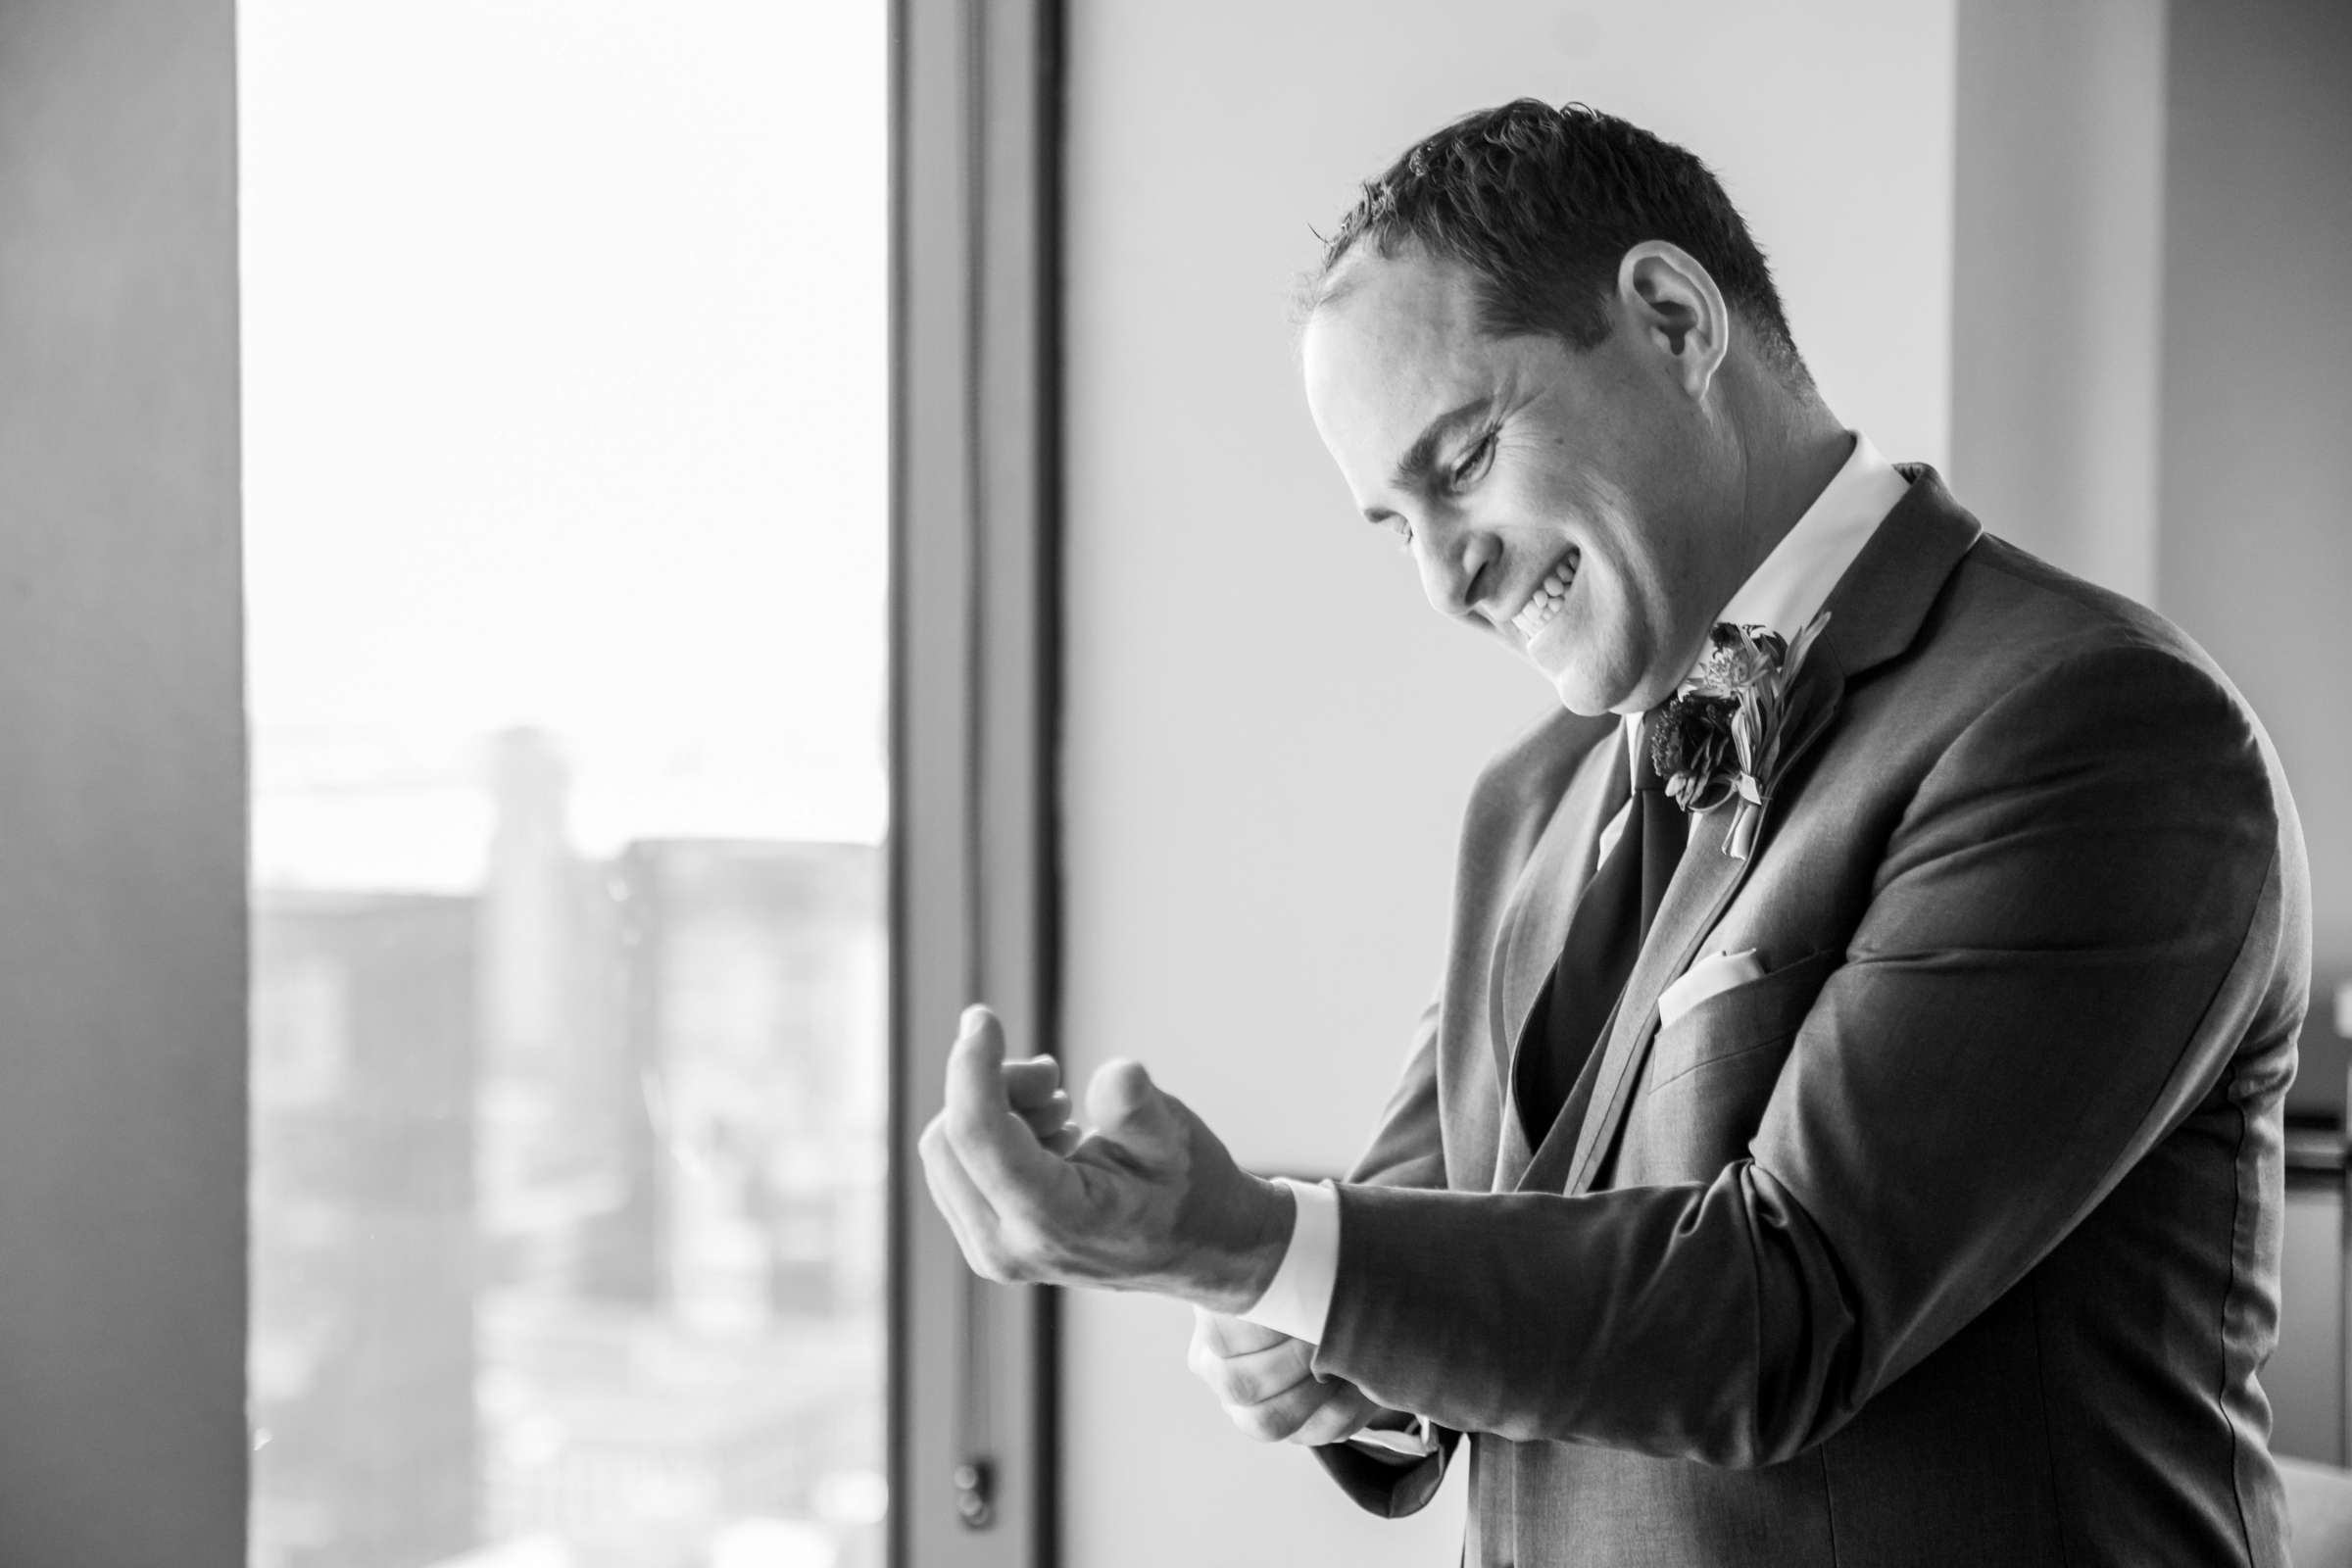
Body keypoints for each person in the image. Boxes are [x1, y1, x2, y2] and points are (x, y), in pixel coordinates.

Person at [916, 99, 2312, 1567]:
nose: (1447, 581)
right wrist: (1294, 1320)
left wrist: (1258, 1245)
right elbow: (1422, 1242)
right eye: (1395, 524)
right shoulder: (1528, 802)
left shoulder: (2092, 725)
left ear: (1671, 317)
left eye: (1457, 465)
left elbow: (1780, 1310)